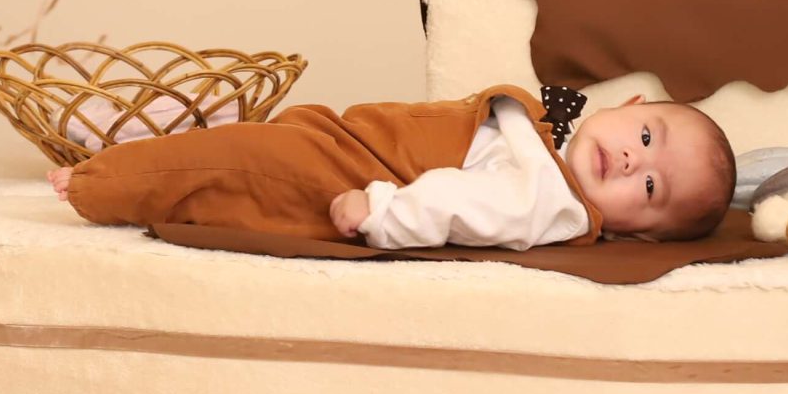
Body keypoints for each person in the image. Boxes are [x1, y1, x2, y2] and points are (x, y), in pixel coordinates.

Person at [47, 85, 735, 247]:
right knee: (246, 155)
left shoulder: (548, 200)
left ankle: (102, 184)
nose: (632, 159)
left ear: (639, 232)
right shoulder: (547, 140)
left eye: (651, 185)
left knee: (236, 165)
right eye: (646, 133)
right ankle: (137, 157)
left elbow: (462, 202)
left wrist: (383, 212)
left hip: (355, 177)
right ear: (630, 104)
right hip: (352, 138)